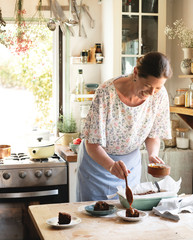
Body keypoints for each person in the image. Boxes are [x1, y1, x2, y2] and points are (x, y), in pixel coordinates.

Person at [76, 51, 172, 202]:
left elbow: (153, 134)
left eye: (158, 88)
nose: (152, 93)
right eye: (147, 85)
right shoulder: (106, 93)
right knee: (95, 217)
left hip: (130, 167)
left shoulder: (159, 96)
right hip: (97, 167)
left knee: (127, 215)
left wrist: (152, 154)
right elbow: (92, 144)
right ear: (135, 72)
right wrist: (110, 166)